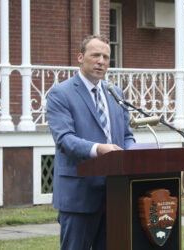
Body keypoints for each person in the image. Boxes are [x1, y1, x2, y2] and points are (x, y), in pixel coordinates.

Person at [46, 34, 135, 250]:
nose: (101, 61)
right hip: (79, 195)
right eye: (95, 55)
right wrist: (99, 149)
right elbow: (64, 140)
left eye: (106, 56)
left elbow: (126, 135)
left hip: (115, 194)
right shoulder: (60, 93)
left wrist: (132, 153)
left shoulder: (115, 93)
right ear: (80, 57)